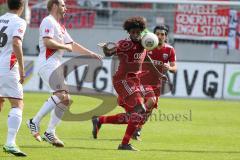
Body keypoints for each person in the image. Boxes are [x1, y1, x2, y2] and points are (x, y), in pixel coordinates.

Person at [26, 0, 101, 147]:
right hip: (47, 63)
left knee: (65, 99)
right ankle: (34, 121)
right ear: (54, 6)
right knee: (61, 95)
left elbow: (72, 45)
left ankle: (50, 132)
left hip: (55, 64)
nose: (65, 8)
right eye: (62, 5)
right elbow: (48, 42)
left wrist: (90, 53)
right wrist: (64, 47)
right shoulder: (48, 21)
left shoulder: (59, 25)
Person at [91, 16, 157, 151]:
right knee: (140, 110)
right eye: (132, 32)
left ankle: (100, 120)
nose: (135, 34)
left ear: (141, 31)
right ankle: (124, 144)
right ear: (129, 32)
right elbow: (110, 53)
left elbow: (147, 57)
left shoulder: (144, 42)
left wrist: (158, 72)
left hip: (134, 81)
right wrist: (105, 48)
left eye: (138, 32)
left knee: (131, 117)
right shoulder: (125, 44)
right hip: (123, 80)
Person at [132, 25, 177, 140]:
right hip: (142, 81)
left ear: (166, 36)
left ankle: (137, 129)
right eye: (158, 34)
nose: (160, 36)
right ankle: (133, 124)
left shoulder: (170, 50)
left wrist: (169, 68)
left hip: (156, 84)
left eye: (162, 34)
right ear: (154, 35)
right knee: (149, 102)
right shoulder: (147, 46)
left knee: (149, 111)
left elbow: (175, 68)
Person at [0, 0, 27, 156]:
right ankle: (10, 143)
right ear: (21, 7)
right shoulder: (19, 21)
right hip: (7, 67)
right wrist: (22, 69)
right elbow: (16, 43)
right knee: (17, 104)